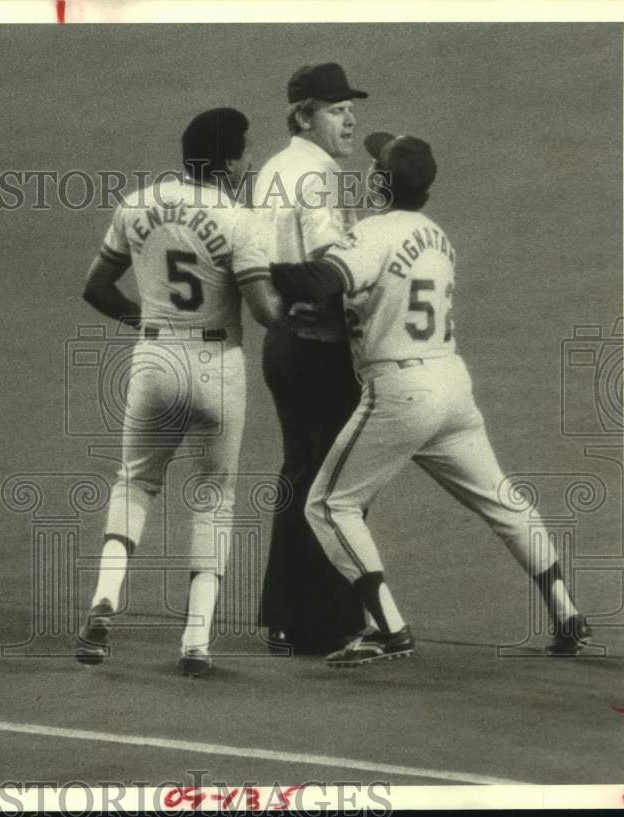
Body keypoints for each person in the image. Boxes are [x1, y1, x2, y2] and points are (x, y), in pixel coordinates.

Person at [270, 133, 592, 667]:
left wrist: (257, 260)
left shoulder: (373, 233)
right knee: (503, 501)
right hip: (451, 387)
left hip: (400, 392)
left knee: (328, 505)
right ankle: (566, 612)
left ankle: (388, 629)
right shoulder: (438, 237)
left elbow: (317, 279)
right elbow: (383, 303)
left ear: (378, 182)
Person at [77, 108, 283, 676]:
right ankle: (195, 640)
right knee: (214, 496)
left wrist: (142, 318)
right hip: (218, 361)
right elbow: (265, 311)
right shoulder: (242, 219)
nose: (250, 162)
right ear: (224, 161)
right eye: (245, 152)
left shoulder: (136, 204)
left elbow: (96, 288)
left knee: (135, 482)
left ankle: (105, 600)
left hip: (154, 355)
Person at [254, 63, 367, 654]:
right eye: (335, 108)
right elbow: (330, 264)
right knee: (335, 483)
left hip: (283, 345)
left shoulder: (272, 169)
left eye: (351, 107)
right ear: (303, 115)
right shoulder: (322, 176)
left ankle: (285, 615)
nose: (349, 117)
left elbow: (256, 261)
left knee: (299, 471)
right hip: (322, 346)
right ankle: (333, 619)